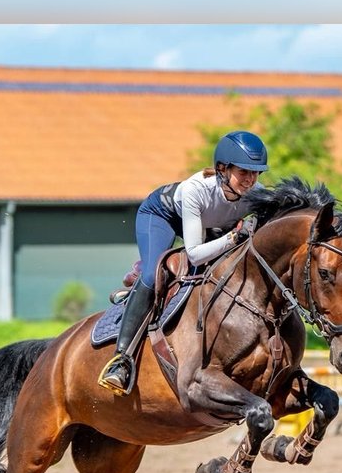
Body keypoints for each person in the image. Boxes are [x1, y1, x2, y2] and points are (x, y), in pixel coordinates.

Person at [98, 130, 269, 395]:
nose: (250, 180)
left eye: (255, 173)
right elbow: (195, 254)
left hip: (211, 226)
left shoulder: (257, 193)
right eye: (243, 172)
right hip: (162, 216)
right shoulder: (195, 190)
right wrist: (235, 236)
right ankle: (121, 359)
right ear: (222, 168)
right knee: (153, 277)